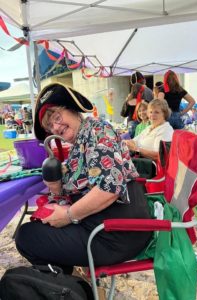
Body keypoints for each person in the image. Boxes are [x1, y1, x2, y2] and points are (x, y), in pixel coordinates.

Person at [15, 83, 153, 273]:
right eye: (49, 126)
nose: (55, 127)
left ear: (72, 110)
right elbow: (81, 183)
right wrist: (56, 188)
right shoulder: (83, 138)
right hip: (103, 226)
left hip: (117, 233)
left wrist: (67, 215)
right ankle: (66, 285)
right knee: (38, 227)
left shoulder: (98, 131)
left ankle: (64, 287)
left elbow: (108, 189)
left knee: (27, 237)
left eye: (56, 117)